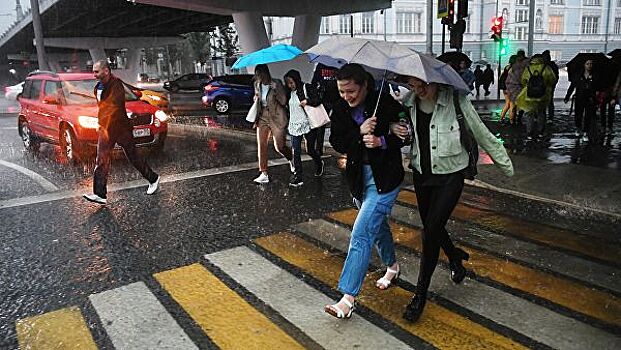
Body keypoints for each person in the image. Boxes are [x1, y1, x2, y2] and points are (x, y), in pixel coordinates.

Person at [390, 76, 514, 323]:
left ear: (438, 81)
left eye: (424, 84)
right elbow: (395, 126)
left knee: (430, 232)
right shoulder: (409, 102)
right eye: (414, 86)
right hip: (421, 175)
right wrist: (395, 128)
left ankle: (419, 296)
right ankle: (455, 258)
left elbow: (482, 133)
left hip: (450, 177)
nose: (420, 90)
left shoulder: (456, 101)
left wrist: (505, 164)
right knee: (432, 227)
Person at [324, 63, 407, 319]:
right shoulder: (339, 109)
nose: (347, 97)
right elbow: (337, 141)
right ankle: (392, 267)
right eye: (342, 91)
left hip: (385, 180)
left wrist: (383, 139)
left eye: (352, 91)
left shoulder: (384, 103)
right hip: (360, 180)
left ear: (365, 86)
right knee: (378, 228)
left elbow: (405, 132)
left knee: (360, 234)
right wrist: (359, 134)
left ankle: (347, 299)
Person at [83, 60, 160, 205]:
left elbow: (114, 107)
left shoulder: (116, 85)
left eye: (96, 71)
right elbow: (102, 108)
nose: (94, 74)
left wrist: (103, 123)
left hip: (120, 128)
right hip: (106, 129)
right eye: (93, 71)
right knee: (101, 159)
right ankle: (100, 194)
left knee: (133, 157)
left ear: (106, 71)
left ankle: (153, 178)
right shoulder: (98, 87)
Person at [251, 64, 293, 184]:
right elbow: (258, 100)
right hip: (262, 116)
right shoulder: (257, 85)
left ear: (265, 73)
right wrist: (256, 98)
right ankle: (263, 173)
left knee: (279, 146)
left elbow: (283, 101)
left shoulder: (277, 82)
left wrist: (276, 89)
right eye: (256, 75)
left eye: (259, 75)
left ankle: (291, 159)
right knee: (262, 144)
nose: (258, 78)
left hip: (277, 116)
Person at [283, 69, 324, 187]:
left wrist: (308, 101)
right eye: (288, 83)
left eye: (291, 82)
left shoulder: (307, 87)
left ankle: (319, 162)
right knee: (295, 151)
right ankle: (298, 176)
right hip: (294, 124)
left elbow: (318, 100)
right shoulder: (288, 93)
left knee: (310, 150)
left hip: (308, 124)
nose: (290, 85)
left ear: (296, 80)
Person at [516, 53, 558, 140]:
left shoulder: (528, 68)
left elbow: (523, 80)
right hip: (543, 96)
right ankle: (540, 132)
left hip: (530, 96)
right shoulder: (546, 68)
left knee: (529, 114)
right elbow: (552, 80)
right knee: (541, 113)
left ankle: (529, 133)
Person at [564, 59, 597, 142]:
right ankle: (578, 128)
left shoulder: (594, 75)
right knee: (578, 114)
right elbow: (572, 86)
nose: (589, 65)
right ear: (584, 65)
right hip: (579, 97)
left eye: (591, 64)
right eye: (587, 64)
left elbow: (597, 87)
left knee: (588, 116)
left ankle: (585, 131)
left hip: (590, 98)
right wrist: (567, 96)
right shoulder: (578, 75)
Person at [311, 63, 340, 157]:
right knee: (321, 125)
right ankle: (319, 149)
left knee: (337, 122)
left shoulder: (340, 64)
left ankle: (337, 144)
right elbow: (314, 82)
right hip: (323, 99)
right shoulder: (321, 65)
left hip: (337, 99)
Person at [505, 50, 529, 126]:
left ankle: (513, 120)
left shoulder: (514, 66)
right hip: (523, 87)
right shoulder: (527, 63)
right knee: (521, 104)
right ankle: (518, 118)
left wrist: (508, 87)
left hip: (514, 87)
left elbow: (509, 78)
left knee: (514, 105)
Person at [542, 50, 559, 123]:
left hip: (543, 87)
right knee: (550, 102)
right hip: (550, 86)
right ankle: (550, 118)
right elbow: (556, 77)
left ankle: (542, 116)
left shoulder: (542, 66)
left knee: (542, 102)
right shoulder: (553, 65)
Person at [499, 55, 517, 123]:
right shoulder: (514, 68)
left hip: (505, 88)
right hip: (511, 88)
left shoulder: (507, 67)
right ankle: (511, 120)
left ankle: (501, 117)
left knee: (507, 103)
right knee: (512, 104)